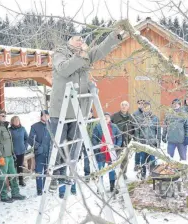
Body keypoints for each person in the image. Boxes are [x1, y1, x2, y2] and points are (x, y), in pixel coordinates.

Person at [49, 28, 123, 198]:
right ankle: (55, 177)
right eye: (77, 39)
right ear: (69, 41)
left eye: (82, 39)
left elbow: (101, 50)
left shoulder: (85, 54)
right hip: (61, 109)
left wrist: (114, 36)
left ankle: (70, 174)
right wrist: (80, 54)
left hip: (78, 109)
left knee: (75, 146)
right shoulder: (60, 53)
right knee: (59, 146)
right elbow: (63, 69)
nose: (80, 41)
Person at [0, 109, 25, 202]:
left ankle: (15, 193)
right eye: (2, 116)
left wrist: (12, 153)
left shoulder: (5, 127)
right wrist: (0, 156)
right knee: (3, 177)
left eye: (5, 116)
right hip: (3, 157)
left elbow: (9, 142)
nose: (4, 117)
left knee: (13, 174)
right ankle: (4, 195)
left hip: (9, 155)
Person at [92, 112, 122, 193]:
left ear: (110, 118)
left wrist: (116, 147)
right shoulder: (98, 127)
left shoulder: (114, 127)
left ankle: (112, 186)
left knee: (112, 170)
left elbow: (119, 137)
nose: (106, 118)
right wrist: (98, 146)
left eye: (107, 117)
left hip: (111, 152)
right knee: (100, 169)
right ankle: (100, 187)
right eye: (104, 117)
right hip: (101, 152)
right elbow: (94, 138)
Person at [134, 101, 162, 179]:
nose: (146, 108)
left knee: (152, 160)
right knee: (142, 160)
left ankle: (152, 175)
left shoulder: (155, 118)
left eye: (148, 107)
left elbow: (158, 130)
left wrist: (158, 142)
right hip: (142, 143)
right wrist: (138, 142)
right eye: (145, 107)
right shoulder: (139, 118)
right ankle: (143, 176)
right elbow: (137, 131)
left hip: (152, 143)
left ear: (150, 108)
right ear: (143, 108)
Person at [28, 110, 52, 196]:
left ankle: (45, 187)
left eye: (47, 115)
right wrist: (39, 146)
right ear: (41, 116)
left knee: (48, 171)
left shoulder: (52, 126)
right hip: (40, 153)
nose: (46, 117)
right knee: (39, 171)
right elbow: (31, 140)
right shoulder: (34, 126)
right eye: (44, 116)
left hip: (49, 152)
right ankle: (39, 189)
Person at [111, 100, 135, 179]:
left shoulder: (131, 117)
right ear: (120, 106)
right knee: (116, 159)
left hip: (126, 141)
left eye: (125, 105)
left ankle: (123, 173)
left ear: (128, 107)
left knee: (125, 159)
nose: (124, 106)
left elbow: (134, 128)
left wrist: (132, 138)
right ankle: (116, 174)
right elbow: (109, 127)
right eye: (122, 105)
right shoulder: (114, 116)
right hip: (117, 141)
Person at [9, 116, 29, 187]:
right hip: (12, 152)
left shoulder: (22, 129)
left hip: (21, 151)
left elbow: (27, 138)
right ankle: (12, 182)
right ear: (12, 122)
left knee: (20, 166)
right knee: (12, 167)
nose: (17, 121)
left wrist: (25, 146)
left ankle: (21, 181)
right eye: (15, 120)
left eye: (18, 120)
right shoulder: (9, 130)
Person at [81, 109, 98, 181]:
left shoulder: (96, 121)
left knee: (95, 160)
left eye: (90, 113)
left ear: (92, 113)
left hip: (94, 144)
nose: (88, 114)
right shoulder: (82, 121)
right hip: (85, 144)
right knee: (86, 160)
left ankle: (95, 174)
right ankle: (87, 175)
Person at [132, 99, 145, 171]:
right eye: (139, 103)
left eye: (142, 103)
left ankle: (145, 165)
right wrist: (135, 137)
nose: (141, 104)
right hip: (137, 136)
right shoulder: (135, 114)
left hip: (146, 137)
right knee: (138, 152)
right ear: (138, 105)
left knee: (146, 152)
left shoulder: (147, 113)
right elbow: (133, 126)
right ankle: (137, 164)